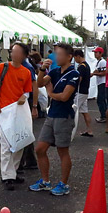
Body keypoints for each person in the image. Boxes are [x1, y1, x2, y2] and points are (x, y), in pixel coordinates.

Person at [30, 43, 80, 196]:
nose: (56, 57)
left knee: (62, 151)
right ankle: (45, 181)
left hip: (64, 116)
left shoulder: (74, 74)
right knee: (40, 149)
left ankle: (64, 184)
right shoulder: (55, 71)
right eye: (56, 54)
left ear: (69, 57)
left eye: (59, 54)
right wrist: (42, 69)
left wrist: (50, 94)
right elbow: (40, 83)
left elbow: (65, 97)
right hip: (52, 114)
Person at [0, 41, 34, 190]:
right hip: (4, 112)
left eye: (17, 52)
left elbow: (27, 91)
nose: (13, 54)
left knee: (19, 143)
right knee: (6, 145)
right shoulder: (1, 68)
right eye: (12, 51)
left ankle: (12, 173)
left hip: (19, 111)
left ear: (24, 55)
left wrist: (24, 96)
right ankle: (7, 176)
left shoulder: (26, 72)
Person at [73, 49, 93, 137]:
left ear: (78, 56)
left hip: (80, 91)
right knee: (85, 111)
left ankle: (69, 131)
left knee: (72, 110)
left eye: (75, 57)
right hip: (85, 91)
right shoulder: (87, 65)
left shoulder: (81, 67)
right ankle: (89, 130)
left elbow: (79, 80)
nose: (75, 60)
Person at [91, 46, 108, 123]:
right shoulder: (99, 62)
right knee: (102, 100)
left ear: (100, 53)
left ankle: (103, 116)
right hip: (100, 83)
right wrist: (93, 73)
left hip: (103, 83)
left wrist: (94, 74)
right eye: (94, 52)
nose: (95, 54)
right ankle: (105, 115)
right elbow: (97, 71)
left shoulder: (102, 62)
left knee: (100, 100)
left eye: (96, 52)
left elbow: (104, 73)